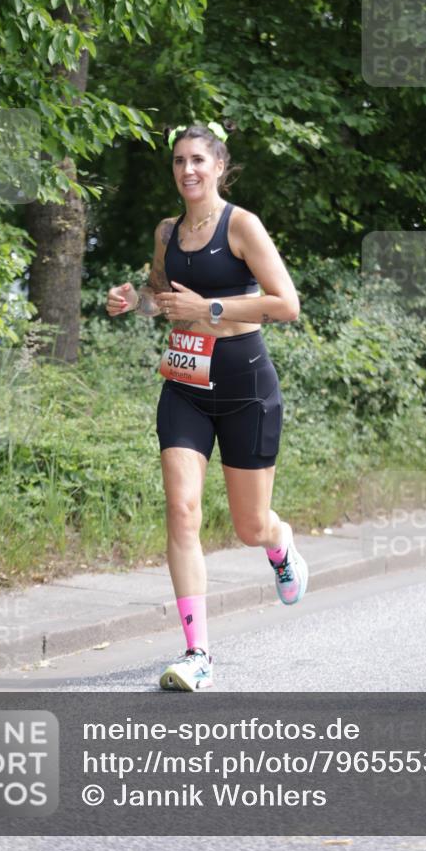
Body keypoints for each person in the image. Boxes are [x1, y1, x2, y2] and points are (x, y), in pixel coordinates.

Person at [106, 120, 308, 691]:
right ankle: (197, 652)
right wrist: (133, 301)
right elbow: (162, 299)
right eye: (178, 161)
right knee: (183, 511)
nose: (187, 170)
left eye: (198, 160)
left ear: (219, 166)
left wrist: (211, 309)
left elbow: (286, 304)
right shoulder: (167, 231)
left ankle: (279, 542)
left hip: (245, 386)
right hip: (185, 387)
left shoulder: (241, 225)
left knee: (249, 526)